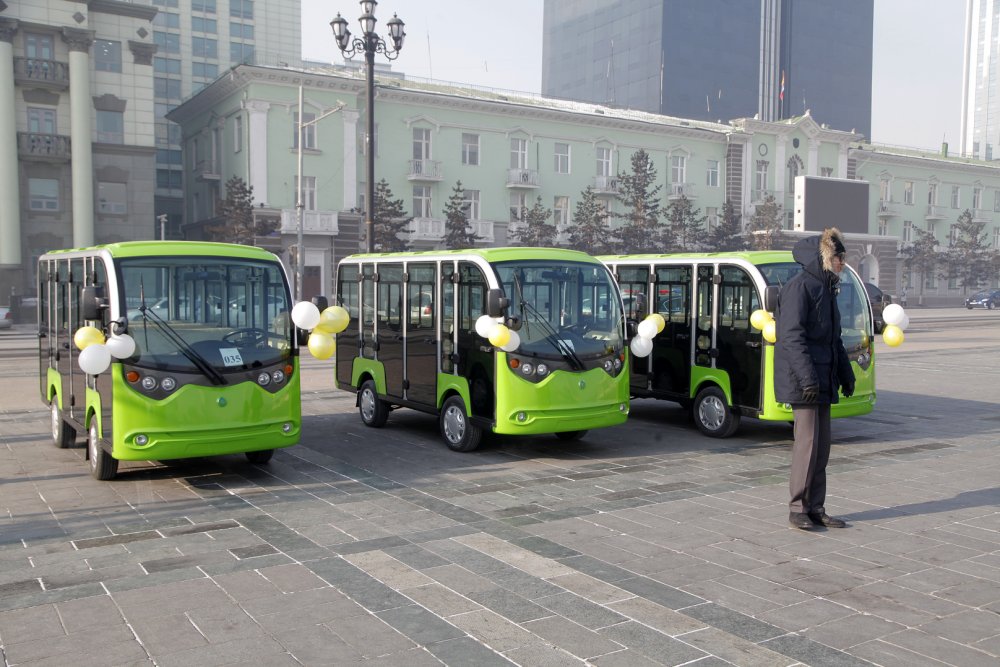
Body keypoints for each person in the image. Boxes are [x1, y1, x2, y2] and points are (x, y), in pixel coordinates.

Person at [774, 227, 855, 530]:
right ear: (824, 258)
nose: (842, 263)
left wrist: (846, 374)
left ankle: (816, 507)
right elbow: (791, 338)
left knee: (821, 449)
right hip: (804, 381)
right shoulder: (799, 288)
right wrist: (808, 379)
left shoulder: (827, 288)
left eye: (842, 257)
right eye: (838, 257)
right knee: (807, 445)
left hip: (822, 378)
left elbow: (834, 340)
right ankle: (797, 508)